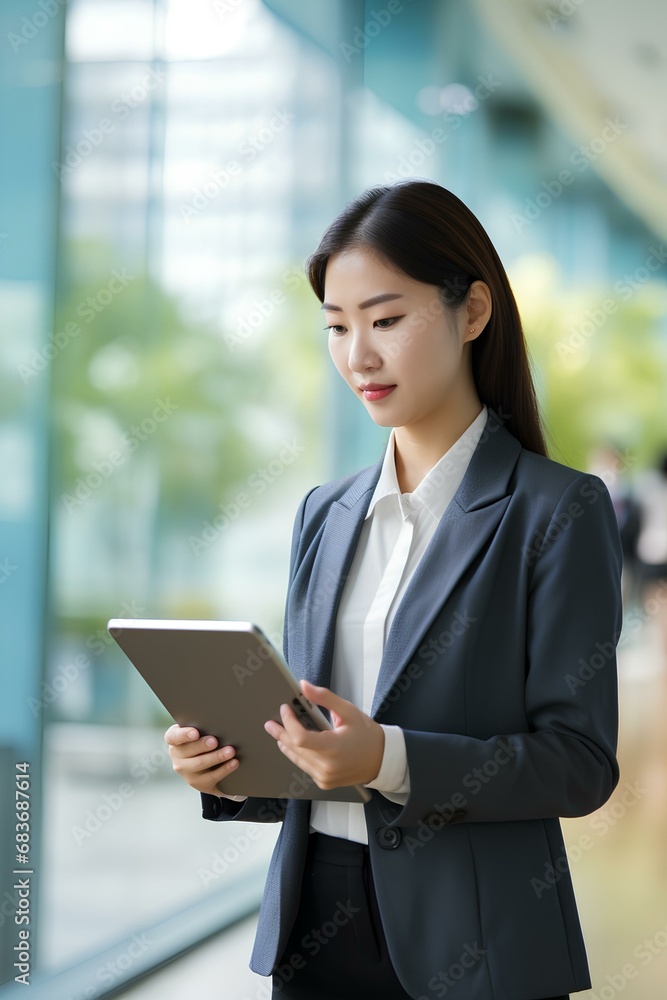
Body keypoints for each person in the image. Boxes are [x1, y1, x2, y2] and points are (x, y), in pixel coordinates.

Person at [166, 180, 623, 1000]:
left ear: (471, 311)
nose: (357, 357)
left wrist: (387, 758)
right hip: (313, 926)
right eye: (336, 328)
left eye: (384, 320)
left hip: (478, 941)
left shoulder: (557, 510)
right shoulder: (326, 512)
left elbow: (578, 767)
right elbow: (309, 741)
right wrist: (228, 769)